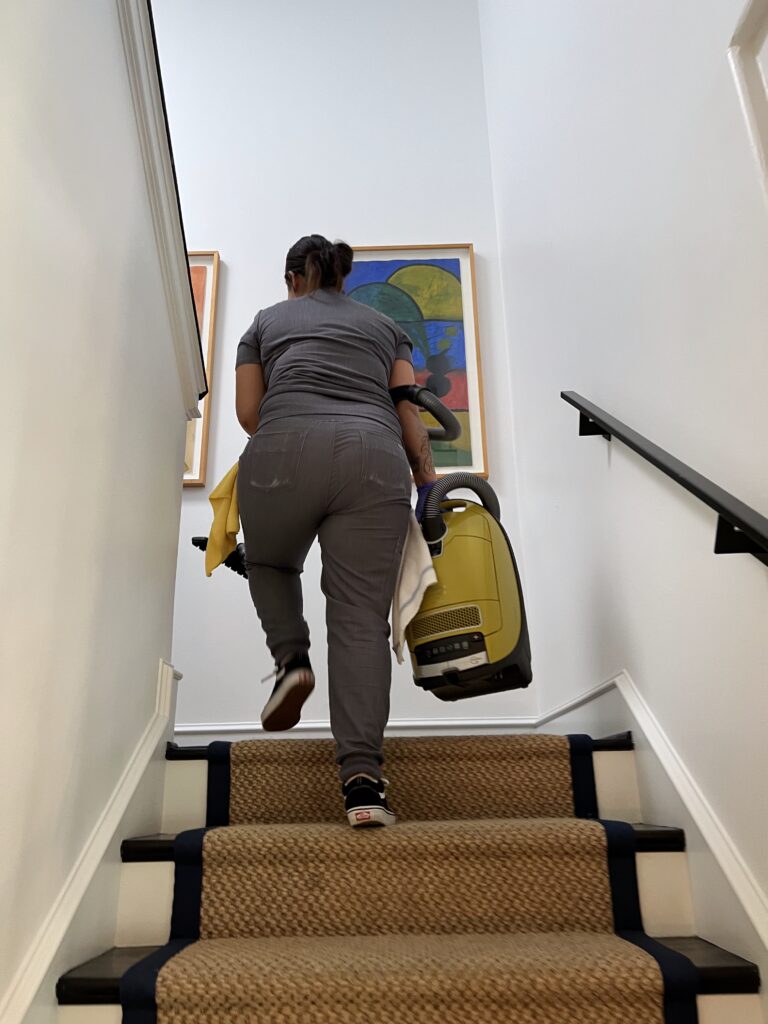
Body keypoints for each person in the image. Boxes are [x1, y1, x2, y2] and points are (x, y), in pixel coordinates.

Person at [235, 234, 437, 827]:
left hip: (282, 448)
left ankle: (291, 657)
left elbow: (250, 415)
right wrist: (428, 483)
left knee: (269, 561)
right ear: (343, 280)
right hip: (374, 458)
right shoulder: (383, 327)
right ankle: (362, 784)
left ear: (292, 278)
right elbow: (407, 408)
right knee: (359, 621)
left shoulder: (267, 322)